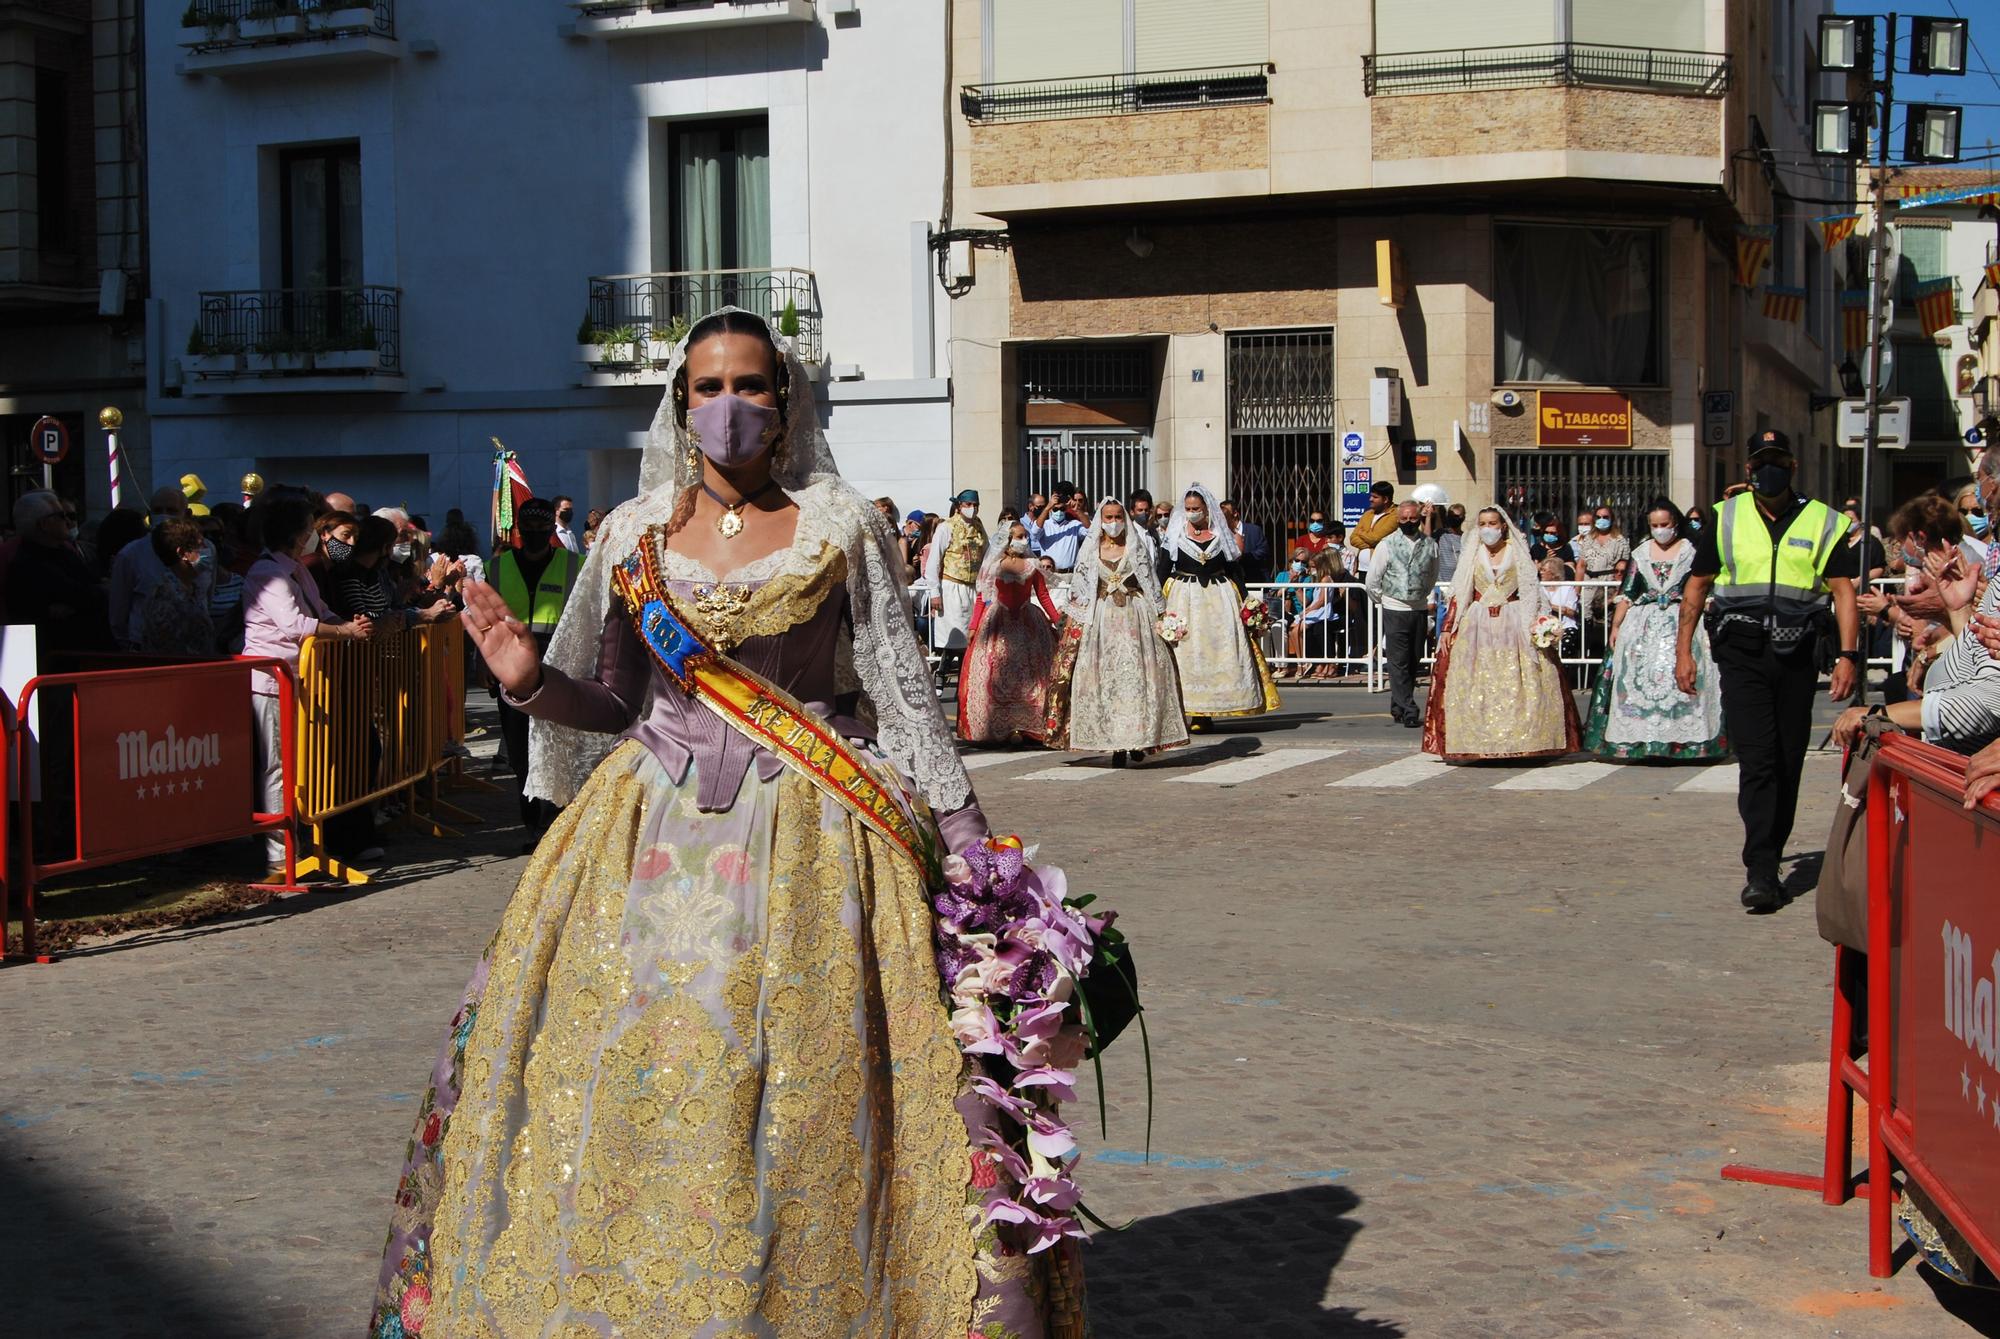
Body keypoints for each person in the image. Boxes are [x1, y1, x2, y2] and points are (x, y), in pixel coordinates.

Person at [372, 308, 1084, 1337]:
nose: (728, 407)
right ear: (679, 404)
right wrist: (531, 684)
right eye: (705, 387)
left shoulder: (841, 523)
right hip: (646, 836)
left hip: (813, 836)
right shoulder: (631, 535)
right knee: (622, 1077)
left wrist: (975, 857)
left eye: (749, 385)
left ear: (784, 402)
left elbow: (899, 689)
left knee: (802, 1093)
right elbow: (615, 700)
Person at [1675, 430, 1859, 912]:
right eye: (1761, 461)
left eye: (1777, 460)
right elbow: (1696, 588)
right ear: (1749, 468)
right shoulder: (1724, 517)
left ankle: (1773, 851)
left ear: (1792, 466)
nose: (1768, 469)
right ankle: (1759, 869)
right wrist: (1684, 652)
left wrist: (1848, 656)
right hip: (1742, 653)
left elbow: (1842, 591)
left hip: (1798, 655)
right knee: (1757, 761)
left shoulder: (1823, 520)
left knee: (1787, 761)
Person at [242, 497, 371, 878]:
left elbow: (319, 611)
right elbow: (295, 625)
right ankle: (278, 851)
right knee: (276, 767)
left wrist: (350, 625)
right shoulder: (267, 572)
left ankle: (298, 841)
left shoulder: (298, 570)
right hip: (270, 681)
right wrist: (341, 631)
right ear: (297, 534)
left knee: (298, 764)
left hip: (301, 677)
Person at [1423, 508, 1580, 761]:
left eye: (1492, 523)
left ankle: (1523, 740)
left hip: (1514, 619)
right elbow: (1461, 593)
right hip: (1478, 623)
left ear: (1503, 526)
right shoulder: (1472, 553)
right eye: (1483, 523)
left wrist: (1539, 622)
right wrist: (1447, 628)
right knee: (1475, 681)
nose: (1488, 528)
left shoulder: (1517, 551)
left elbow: (1531, 589)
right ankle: (1479, 741)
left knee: (1519, 679)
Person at [1582, 498, 1726, 761]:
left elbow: (1703, 588)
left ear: (1676, 524)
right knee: (1636, 676)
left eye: (1665, 524)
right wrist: (1616, 626)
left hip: (1682, 621)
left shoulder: (1691, 550)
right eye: (1654, 525)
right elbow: (1627, 592)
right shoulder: (1641, 552)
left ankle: (1683, 742)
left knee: (1682, 676)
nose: (1660, 530)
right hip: (1642, 623)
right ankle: (1642, 741)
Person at [1047, 497, 1186, 764]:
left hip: (1135, 616)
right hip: (1102, 620)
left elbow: (1150, 582)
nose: (1113, 523)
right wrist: (1074, 622)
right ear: (1101, 520)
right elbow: (1082, 588)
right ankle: (1116, 745)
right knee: (1106, 680)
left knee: (1136, 681)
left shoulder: (1135, 546)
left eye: (1118, 518)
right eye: (1108, 518)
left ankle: (1137, 739)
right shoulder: (1090, 549)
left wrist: (1163, 617)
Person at [486, 498, 581, 847]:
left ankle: (555, 825)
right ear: (519, 532)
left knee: (557, 749)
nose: (536, 536)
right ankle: (533, 826)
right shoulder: (495, 568)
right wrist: (485, 667)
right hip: (511, 669)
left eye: (542, 531)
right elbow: (484, 622)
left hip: (558, 669)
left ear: (551, 532)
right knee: (521, 753)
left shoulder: (575, 565)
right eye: (529, 531)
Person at [1158, 483, 1275, 722]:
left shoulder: (1221, 536)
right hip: (1184, 598)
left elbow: (1234, 570)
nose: (1192, 512)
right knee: (1186, 653)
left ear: (1207, 509)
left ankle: (1209, 711)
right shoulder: (1175, 536)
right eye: (1189, 508)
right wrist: (1156, 603)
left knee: (1216, 651)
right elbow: (1161, 570)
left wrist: (1246, 602)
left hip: (1218, 599)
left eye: (1197, 508)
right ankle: (1186, 711)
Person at [956, 520, 1061, 744]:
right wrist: (974, 627)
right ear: (1007, 539)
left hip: (1028, 623)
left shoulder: (1033, 565)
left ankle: (1028, 726)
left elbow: (1043, 596)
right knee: (996, 672)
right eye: (1019, 536)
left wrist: (1058, 622)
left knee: (1032, 675)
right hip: (998, 622)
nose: (1024, 540)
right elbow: (981, 598)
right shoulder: (994, 566)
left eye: (1025, 537)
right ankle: (1001, 726)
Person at [1365, 501, 1439, 727]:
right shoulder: (1387, 544)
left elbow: (1432, 574)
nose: (1408, 522)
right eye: (1404, 519)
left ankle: (1397, 704)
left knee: (1412, 659)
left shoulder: (1430, 544)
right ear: (1398, 519)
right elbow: (1373, 579)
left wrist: (1424, 596)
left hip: (1418, 607)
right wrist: (1385, 599)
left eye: (1413, 519)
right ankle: (1408, 708)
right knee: (1398, 661)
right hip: (1394, 607)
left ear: (1419, 518)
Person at [136, 516, 217, 657]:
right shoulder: (165, 596)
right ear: (182, 553)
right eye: (200, 546)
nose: (206, 550)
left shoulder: (193, 589)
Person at [923, 487, 987, 659]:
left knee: (973, 639)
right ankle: (941, 681)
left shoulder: (979, 527)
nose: (972, 508)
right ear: (959, 506)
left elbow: (987, 555)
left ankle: (965, 680)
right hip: (952, 588)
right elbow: (934, 561)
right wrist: (935, 592)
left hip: (973, 588)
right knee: (953, 640)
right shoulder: (946, 527)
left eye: (976, 505)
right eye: (968, 504)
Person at [1573, 504, 1631, 648]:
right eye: (1598, 517)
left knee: (1604, 622)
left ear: (1612, 519)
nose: (1602, 520)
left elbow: (1625, 567)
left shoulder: (1620, 541)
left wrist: (1618, 591)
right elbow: (1581, 565)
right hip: (1588, 582)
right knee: (1586, 622)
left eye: (1605, 517)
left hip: (1608, 583)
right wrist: (1577, 589)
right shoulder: (1588, 539)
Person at [1028, 485, 1088, 573]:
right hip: (1049, 572)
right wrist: (1048, 507)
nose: (1059, 512)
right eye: (1055, 509)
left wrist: (1077, 510)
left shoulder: (1074, 525)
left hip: (1069, 573)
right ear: (1051, 510)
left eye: (1062, 509)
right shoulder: (1045, 525)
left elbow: (1091, 532)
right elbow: (1034, 533)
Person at [1219, 498, 1269, 575]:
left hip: (1254, 577)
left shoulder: (1254, 530)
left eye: (1226, 511)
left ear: (1235, 513)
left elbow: (1263, 551)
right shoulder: (1220, 533)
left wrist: (1242, 557)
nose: (1223, 514)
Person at [1349, 481, 1399, 557]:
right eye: (1371, 496)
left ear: (1385, 499)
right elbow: (1352, 539)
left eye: (1375, 497)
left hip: (1382, 564)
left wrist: (1360, 532)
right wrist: (1372, 545)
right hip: (1361, 567)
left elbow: (1375, 539)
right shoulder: (1368, 514)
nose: (1370, 499)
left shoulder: (1396, 514)